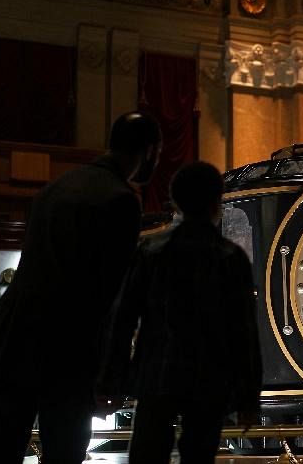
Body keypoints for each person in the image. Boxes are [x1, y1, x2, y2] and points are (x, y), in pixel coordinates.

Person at [0, 112, 162, 464]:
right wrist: (113, 376)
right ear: (149, 151)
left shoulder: (56, 187)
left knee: (2, 447)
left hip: (16, 338)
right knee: (64, 451)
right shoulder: (120, 199)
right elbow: (113, 296)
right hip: (69, 346)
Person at [98, 161, 262, 464]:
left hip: (156, 374)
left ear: (175, 202)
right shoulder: (230, 258)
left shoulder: (151, 251)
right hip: (210, 378)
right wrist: (248, 397)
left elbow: (122, 321)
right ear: (217, 201)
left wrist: (111, 382)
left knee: (147, 455)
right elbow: (243, 333)